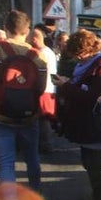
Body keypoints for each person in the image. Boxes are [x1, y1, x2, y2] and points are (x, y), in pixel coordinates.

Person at [0, 10, 48, 190]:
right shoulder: (38, 55)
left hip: (1, 115)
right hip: (29, 115)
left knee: (6, 163)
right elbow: (40, 88)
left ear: (5, 28)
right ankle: (36, 196)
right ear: (27, 30)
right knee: (32, 157)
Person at [55, 29, 101, 200]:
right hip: (86, 124)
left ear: (88, 50)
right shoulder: (88, 65)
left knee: (96, 168)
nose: (78, 58)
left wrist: (67, 86)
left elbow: (95, 96)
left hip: (95, 126)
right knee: (90, 166)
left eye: (80, 54)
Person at [29, 26, 59, 154]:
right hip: (46, 88)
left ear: (35, 39)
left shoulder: (43, 53)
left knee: (43, 118)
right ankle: (44, 143)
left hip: (44, 89)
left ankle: (46, 144)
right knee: (42, 118)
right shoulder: (47, 52)